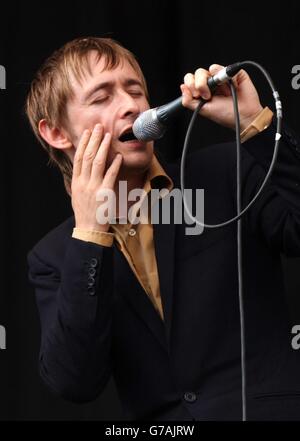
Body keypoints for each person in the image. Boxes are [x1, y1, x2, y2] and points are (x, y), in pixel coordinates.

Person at [26, 36, 300, 421]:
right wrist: (90, 233)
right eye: (102, 97)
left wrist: (254, 124)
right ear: (57, 133)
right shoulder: (53, 256)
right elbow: (76, 380)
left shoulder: (226, 173)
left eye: (135, 90)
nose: (131, 105)